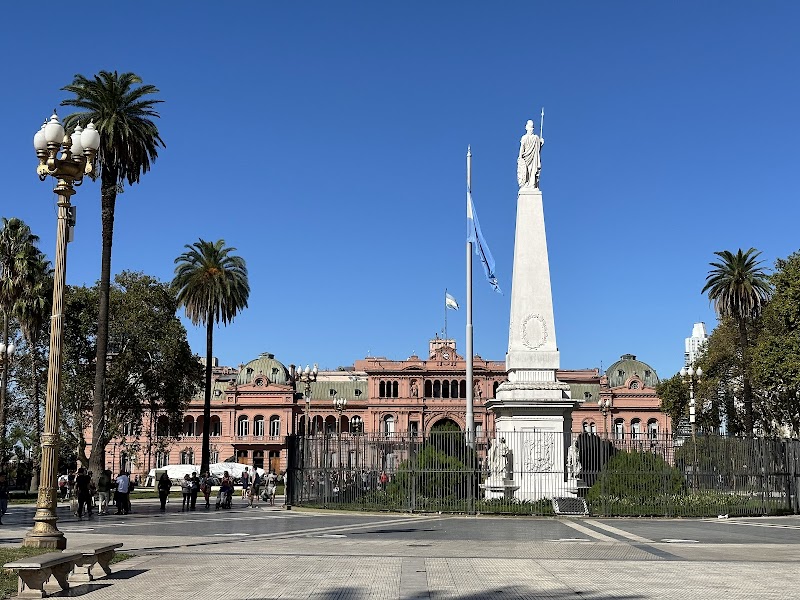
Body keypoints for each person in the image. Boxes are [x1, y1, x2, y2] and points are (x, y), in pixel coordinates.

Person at [517, 119, 544, 188]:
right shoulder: (534, 138)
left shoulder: (534, 138)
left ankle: (531, 185)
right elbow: (522, 148)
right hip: (527, 158)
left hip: (532, 158)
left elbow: (522, 148)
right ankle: (530, 184)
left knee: (531, 171)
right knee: (530, 171)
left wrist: (540, 143)